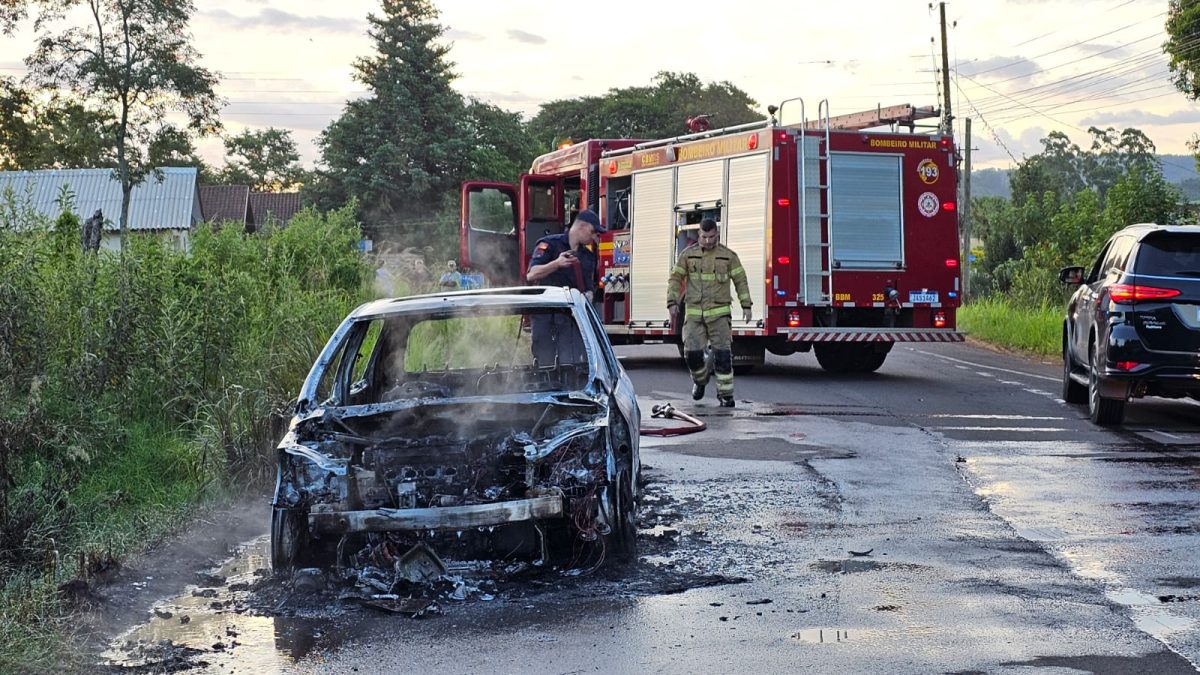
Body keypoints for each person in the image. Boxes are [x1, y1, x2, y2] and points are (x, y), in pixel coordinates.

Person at [666, 218, 752, 407]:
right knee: (692, 355)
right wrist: (672, 301)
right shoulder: (688, 255)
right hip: (694, 315)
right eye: (704, 237)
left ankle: (726, 395)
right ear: (699, 235)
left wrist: (746, 305)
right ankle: (700, 381)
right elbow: (675, 278)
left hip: (719, 315)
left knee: (723, 356)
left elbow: (741, 280)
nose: (707, 241)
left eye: (711, 237)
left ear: (717, 234)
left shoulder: (728, 256)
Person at [525, 209, 605, 366]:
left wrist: (589, 296)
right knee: (544, 363)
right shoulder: (549, 245)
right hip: (545, 316)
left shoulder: (588, 257)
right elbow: (531, 275)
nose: (594, 236)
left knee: (571, 364)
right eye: (593, 231)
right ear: (582, 226)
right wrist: (556, 264)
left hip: (571, 319)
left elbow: (589, 288)